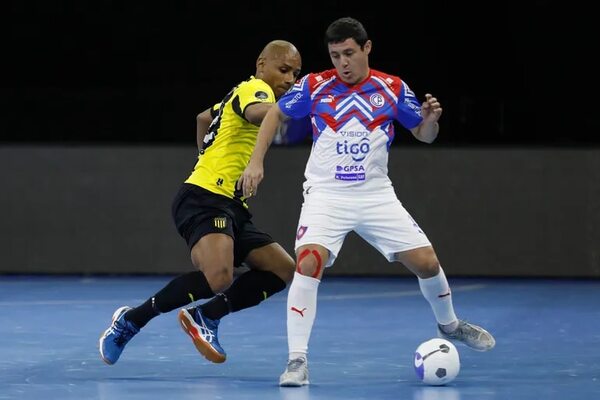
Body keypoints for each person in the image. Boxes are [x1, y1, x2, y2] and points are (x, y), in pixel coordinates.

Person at [239, 17, 496, 387]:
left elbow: (424, 136)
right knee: (309, 262)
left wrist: (430, 121)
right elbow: (277, 113)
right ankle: (297, 360)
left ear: (366, 48)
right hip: (326, 195)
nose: (342, 62)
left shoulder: (392, 88)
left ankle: (450, 324)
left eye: (348, 53)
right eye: (335, 55)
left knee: (427, 263)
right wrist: (256, 160)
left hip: (375, 195)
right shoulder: (315, 85)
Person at [99, 40, 302, 365]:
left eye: (295, 73)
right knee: (218, 276)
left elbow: (201, 119)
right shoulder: (256, 89)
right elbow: (260, 114)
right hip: (205, 198)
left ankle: (207, 316)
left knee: (282, 268)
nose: (290, 79)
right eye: (284, 69)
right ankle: (131, 321)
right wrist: (294, 108)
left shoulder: (233, 95)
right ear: (261, 63)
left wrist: (207, 158)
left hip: (230, 205)